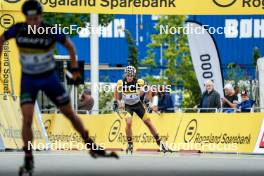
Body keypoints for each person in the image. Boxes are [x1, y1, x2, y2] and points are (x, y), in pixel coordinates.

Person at [0, 0, 117, 173]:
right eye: (29, 19)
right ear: (26, 17)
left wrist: (75, 68)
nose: (33, 22)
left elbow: (70, 47)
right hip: (29, 80)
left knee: (70, 113)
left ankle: (90, 144)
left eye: (36, 18)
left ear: (41, 16)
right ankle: (29, 158)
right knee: (26, 119)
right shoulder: (17, 29)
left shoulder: (50, 30)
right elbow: (1, 40)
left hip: (49, 78)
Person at [113, 66, 169, 153]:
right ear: (125, 75)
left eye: (131, 75)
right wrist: (117, 101)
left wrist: (148, 101)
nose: (129, 77)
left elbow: (149, 89)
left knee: (148, 123)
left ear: (134, 75)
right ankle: (130, 144)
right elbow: (116, 90)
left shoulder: (139, 82)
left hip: (138, 105)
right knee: (128, 122)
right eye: (128, 75)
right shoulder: (121, 82)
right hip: (127, 106)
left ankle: (160, 143)